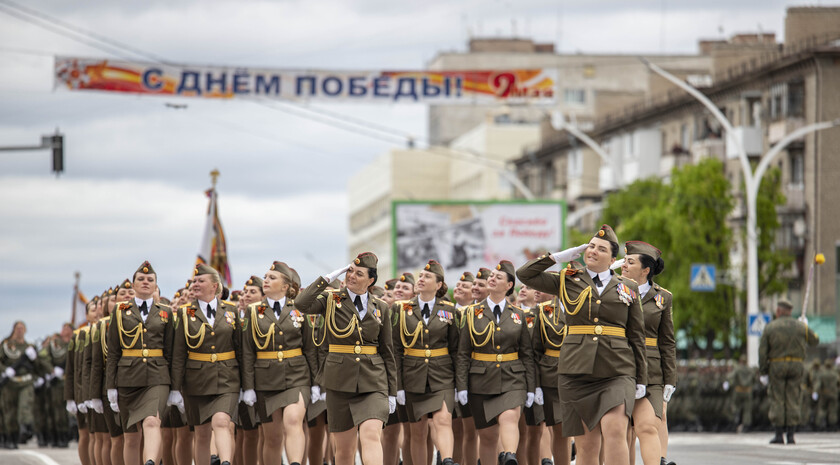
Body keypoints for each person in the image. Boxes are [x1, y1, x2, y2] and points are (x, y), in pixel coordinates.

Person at [516, 225, 647, 465]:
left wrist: (641, 378)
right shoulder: (567, 281)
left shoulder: (628, 288)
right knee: (587, 446)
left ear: (613, 259)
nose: (593, 251)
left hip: (617, 369)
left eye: (601, 249)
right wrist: (558, 257)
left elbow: (636, 335)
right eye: (591, 246)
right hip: (576, 371)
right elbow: (525, 274)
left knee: (616, 430)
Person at [295, 252, 397, 465]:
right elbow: (302, 304)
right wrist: (328, 278)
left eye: (358, 273)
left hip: (373, 380)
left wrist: (392, 392)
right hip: (339, 380)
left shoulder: (381, 307)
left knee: (370, 434)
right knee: (344, 449)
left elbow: (387, 351)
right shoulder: (331, 299)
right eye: (350, 270)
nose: (351, 276)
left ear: (370, 281)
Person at [456, 260, 536, 465]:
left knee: (509, 417)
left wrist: (531, 388)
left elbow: (527, 354)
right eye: (491, 275)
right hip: (480, 381)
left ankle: (509, 455)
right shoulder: (471, 313)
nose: (492, 278)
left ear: (509, 286)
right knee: (488, 436)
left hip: (513, 377)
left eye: (498, 277)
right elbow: (464, 352)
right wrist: (462, 386)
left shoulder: (519, 315)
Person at [242, 263, 317, 465]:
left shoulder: (300, 309)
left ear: (286, 286)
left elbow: (310, 348)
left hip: (297, 375)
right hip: (265, 379)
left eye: (272, 277)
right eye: (265, 276)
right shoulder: (253, 311)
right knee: (273, 437)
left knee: (293, 421)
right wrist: (248, 387)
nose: (266, 280)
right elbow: (247, 351)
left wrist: (317, 383)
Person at [169, 264, 241, 465]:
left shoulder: (232, 311)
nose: (195, 284)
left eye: (201, 281)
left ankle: (225, 462)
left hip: (228, 378)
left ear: (215, 286)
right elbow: (178, 354)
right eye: (194, 281)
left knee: (221, 422)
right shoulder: (184, 314)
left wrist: (248, 385)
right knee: (201, 433)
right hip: (196, 381)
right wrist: (175, 389)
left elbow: (242, 350)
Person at [106, 262, 174, 465]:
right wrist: (111, 386)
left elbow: (171, 352)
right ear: (133, 285)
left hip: (157, 375)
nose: (146, 282)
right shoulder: (120, 311)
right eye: (141, 279)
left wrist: (176, 387)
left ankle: (150, 462)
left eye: (150, 280)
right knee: (131, 437)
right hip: (128, 377)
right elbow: (113, 352)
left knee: (153, 421)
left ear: (155, 286)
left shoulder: (166, 312)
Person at [394, 260, 460, 465]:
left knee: (442, 420)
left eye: (427, 277)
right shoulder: (401, 309)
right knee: (418, 431)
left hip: (442, 375)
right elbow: (395, 349)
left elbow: (457, 350)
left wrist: (460, 384)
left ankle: (447, 460)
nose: (421, 279)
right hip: (413, 377)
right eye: (421, 276)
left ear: (438, 285)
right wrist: (398, 386)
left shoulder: (450, 310)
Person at [619, 242, 676, 465]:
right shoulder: (614, 289)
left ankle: (658, 460)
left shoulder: (663, 298)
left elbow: (667, 342)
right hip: (620, 363)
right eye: (623, 260)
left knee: (648, 424)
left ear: (645, 270)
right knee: (622, 430)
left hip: (651, 370)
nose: (623, 265)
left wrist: (670, 379)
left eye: (629, 262)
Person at [758, 299, 818, 444]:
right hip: (796, 365)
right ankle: (791, 435)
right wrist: (805, 326)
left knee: (778, 398)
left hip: (777, 365)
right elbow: (815, 340)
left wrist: (763, 371)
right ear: (790, 312)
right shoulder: (799, 327)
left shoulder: (770, 327)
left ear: (778, 311)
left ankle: (779, 434)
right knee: (793, 397)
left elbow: (763, 352)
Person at [531, 287, 573, 465]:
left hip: (582, 371)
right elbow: (535, 349)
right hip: (552, 374)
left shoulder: (590, 306)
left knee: (588, 427)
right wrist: (537, 384)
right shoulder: (544, 310)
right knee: (559, 427)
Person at [235, 276, 264, 465]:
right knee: (246, 432)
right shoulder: (235, 318)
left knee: (265, 432)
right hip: (239, 381)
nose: (246, 296)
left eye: (252, 292)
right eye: (245, 292)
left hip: (263, 379)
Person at [451, 272, 477, 465]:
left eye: (464, 286)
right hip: (447, 376)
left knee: (472, 429)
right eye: (458, 285)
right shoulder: (447, 313)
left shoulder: (478, 314)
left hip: (474, 376)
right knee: (454, 429)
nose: (459, 288)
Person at [1, 320, 39, 448]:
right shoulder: (6, 345)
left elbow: (37, 366)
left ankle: (25, 428)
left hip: (26, 381)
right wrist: (5, 370)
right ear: (13, 330)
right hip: (10, 382)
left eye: (22, 328)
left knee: (24, 406)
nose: (20, 330)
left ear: (25, 330)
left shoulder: (29, 347)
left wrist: (35, 359)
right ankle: (10, 437)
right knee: (10, 411)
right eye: (17, 328)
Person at [44, 322, 73, 448]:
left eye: (68, 328)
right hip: (58, 381)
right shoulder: (54, 345)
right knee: (58, 410)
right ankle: (59, 436)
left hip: (72, 381)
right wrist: (52, 370)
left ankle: (69, 434)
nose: (65, 330)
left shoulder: (76, 341)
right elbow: (43, 358)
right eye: (63, 328)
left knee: (72, 411)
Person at [723, 355, 755, 433]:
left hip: (738, 391)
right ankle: (746, 425)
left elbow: (730, 376)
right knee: (747, 409)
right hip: (748, 391)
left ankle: (735, 422)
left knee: (735, 407)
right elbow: (755, 378)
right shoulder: (750, 370)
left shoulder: (737, 369)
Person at [814, 359, 839, 431]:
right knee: (832, 410)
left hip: (824, 393)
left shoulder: (822, 374)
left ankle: (821, 424)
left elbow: (818, 384)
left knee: (822, 409)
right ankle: (832, 425)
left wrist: (815, 391)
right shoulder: (835, 374)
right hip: (833, 394)